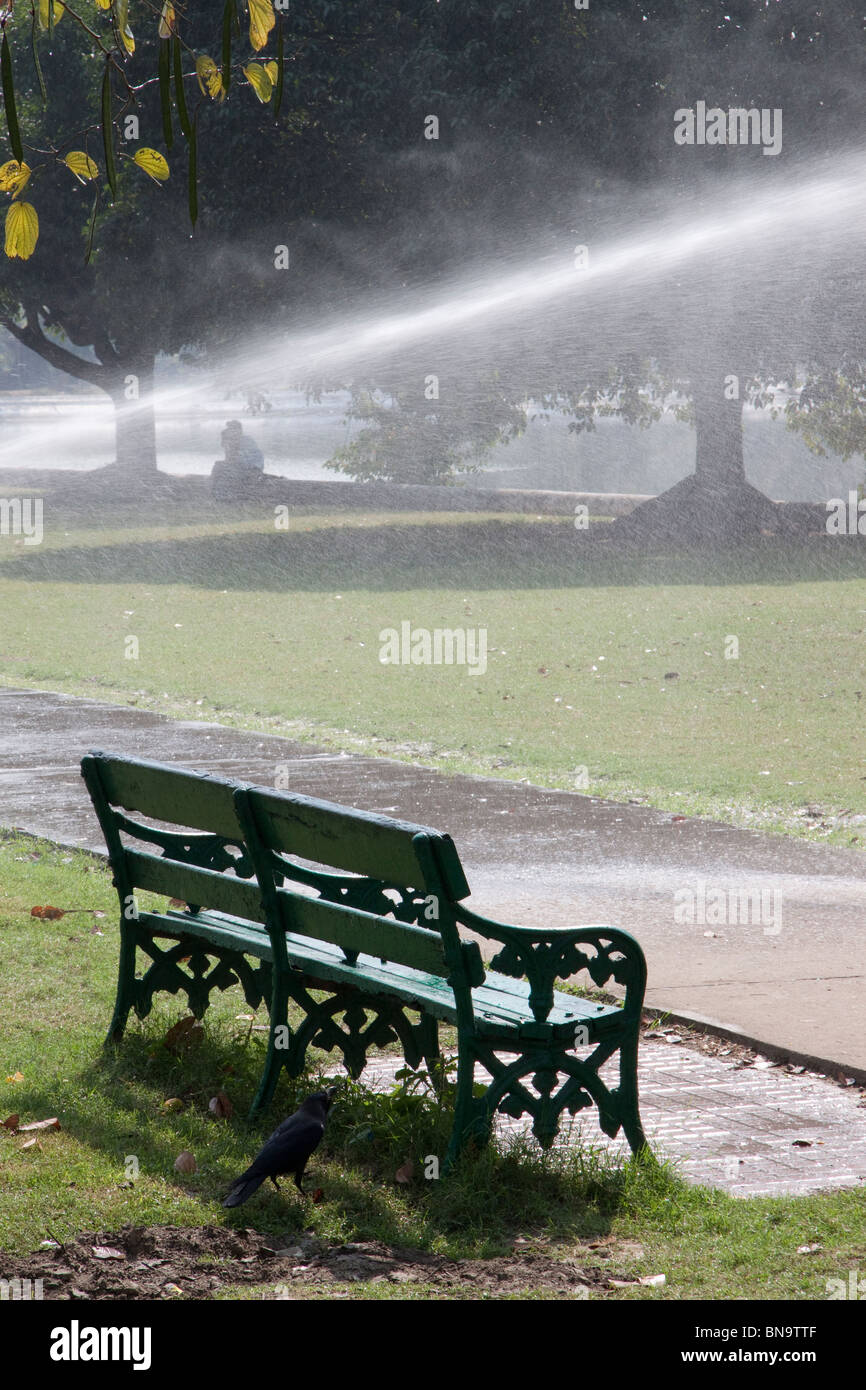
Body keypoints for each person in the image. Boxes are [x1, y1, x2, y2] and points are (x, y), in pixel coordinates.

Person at [210, 419, 264, 499]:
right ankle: (216, 492)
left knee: (222, 469)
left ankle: (223, 495)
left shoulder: (246, 441)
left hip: (251, 469)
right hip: (244, 467)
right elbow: (231, 459)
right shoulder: (233, 440)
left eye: (231, 428)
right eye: (229, 428)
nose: (229, 431)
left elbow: (244, 459)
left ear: (238, 430)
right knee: (219, 466)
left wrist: (232, 460)